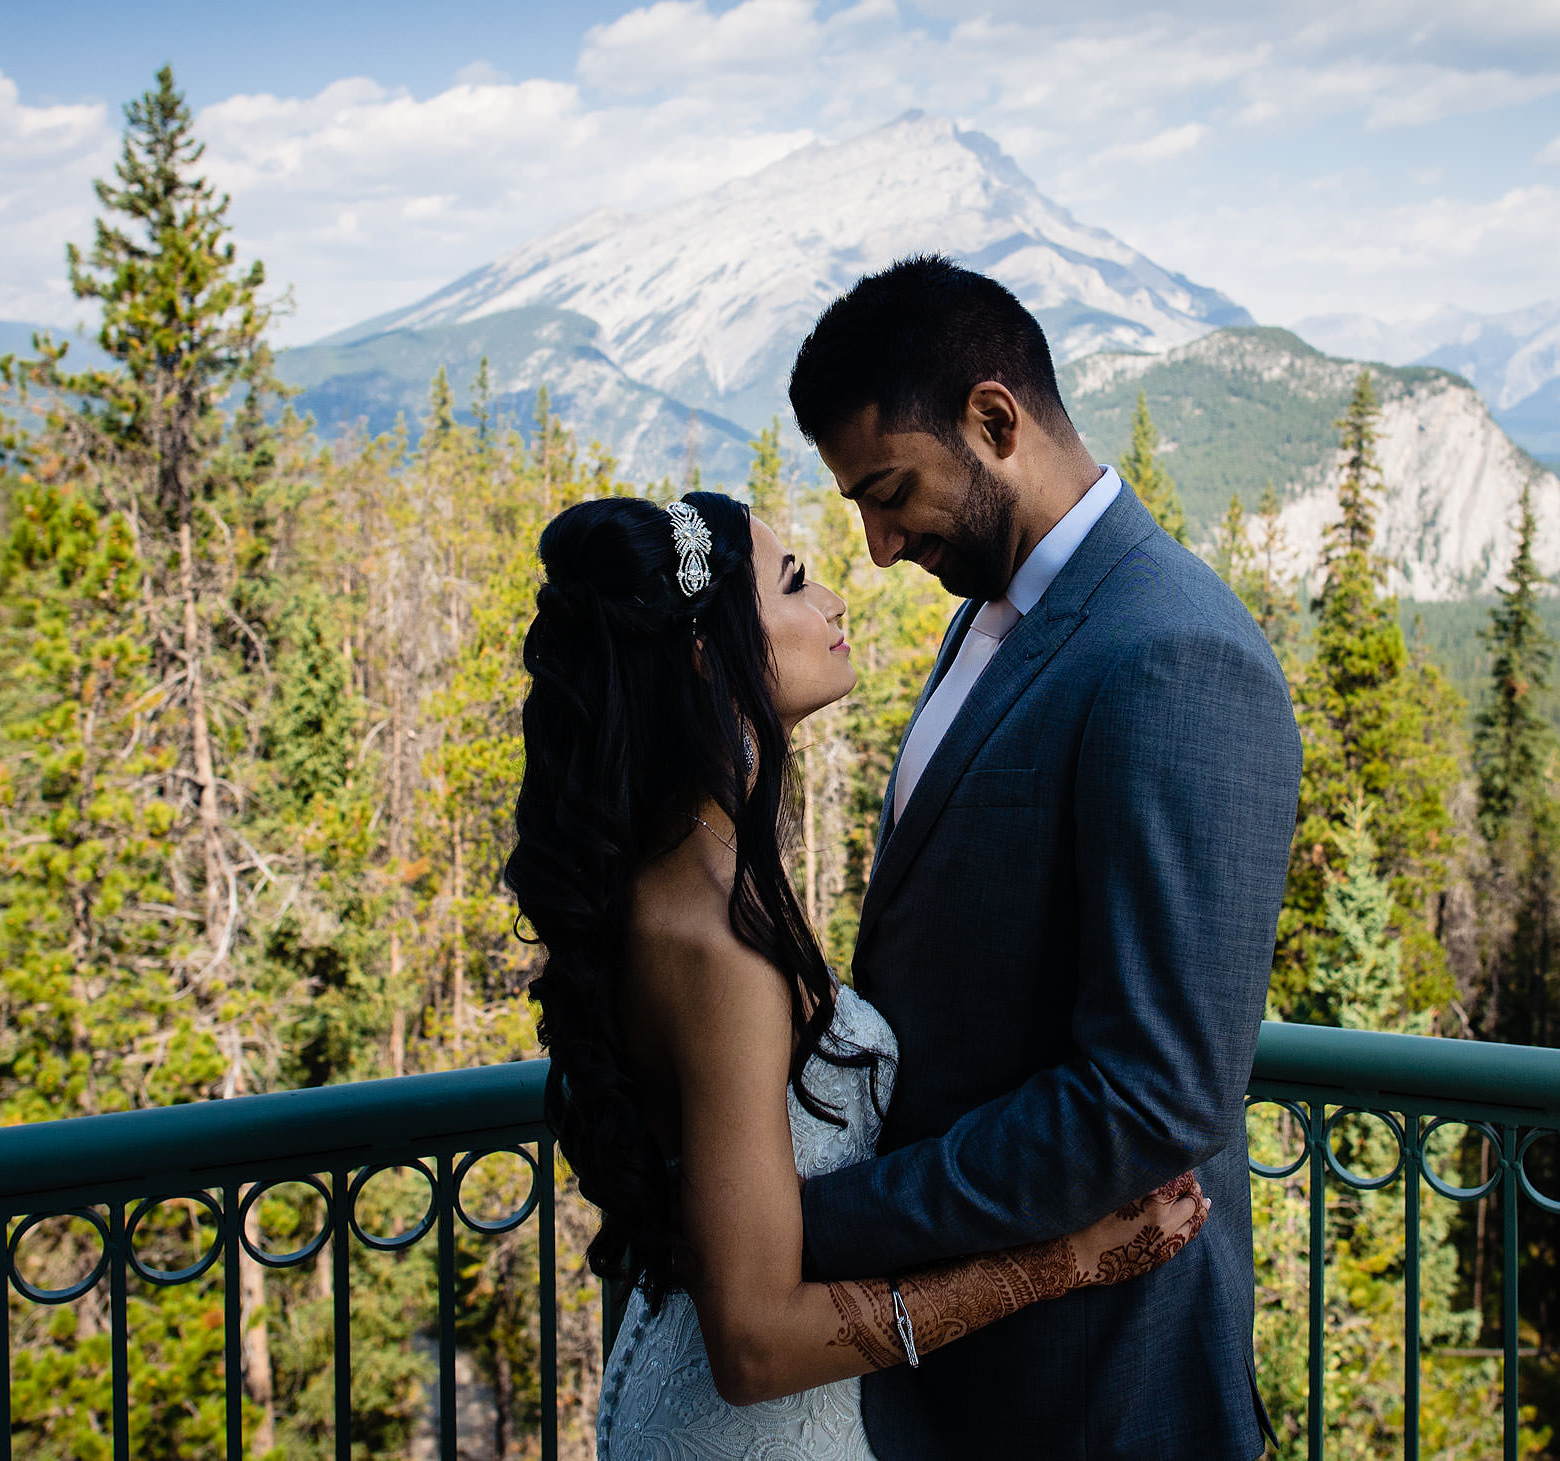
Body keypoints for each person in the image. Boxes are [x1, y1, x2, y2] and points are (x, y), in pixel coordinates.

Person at [507, 490, 1211, 1461]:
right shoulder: (718, 944)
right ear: (710, 657)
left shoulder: (690, 868)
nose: (836, 598)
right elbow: (752, 1344)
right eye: (795, 581)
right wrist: (1056, 1262)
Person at [783, 255, 1302, 1460]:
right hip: (967, 1365)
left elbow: (1155, 1092)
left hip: (1092, 1379)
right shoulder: (993, 611)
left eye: (890, 489)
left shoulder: (1173, 653)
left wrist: (823, 1223)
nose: (874, 544)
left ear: (994, 419)